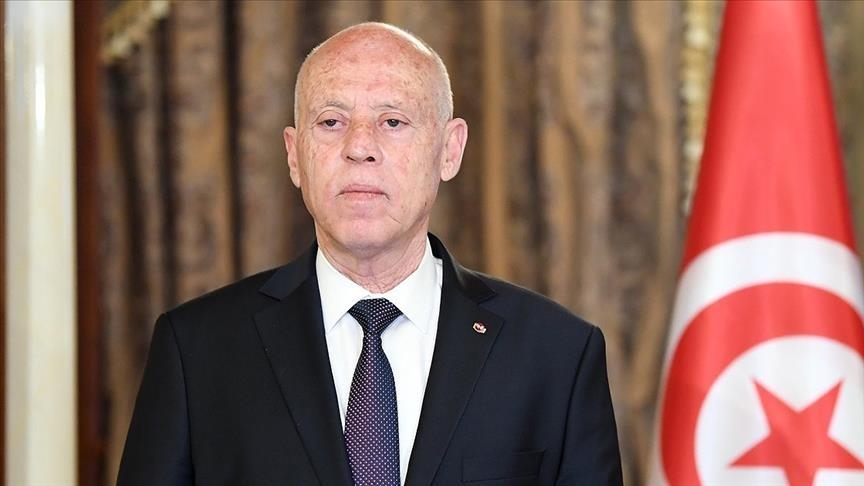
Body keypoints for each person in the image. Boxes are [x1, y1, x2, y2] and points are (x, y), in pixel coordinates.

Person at [117, 22, 622, 486]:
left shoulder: (557, 354)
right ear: (294, 156)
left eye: (393, 121)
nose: (360, 146)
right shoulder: (196, 350)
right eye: (331, 121)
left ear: (450, 150)